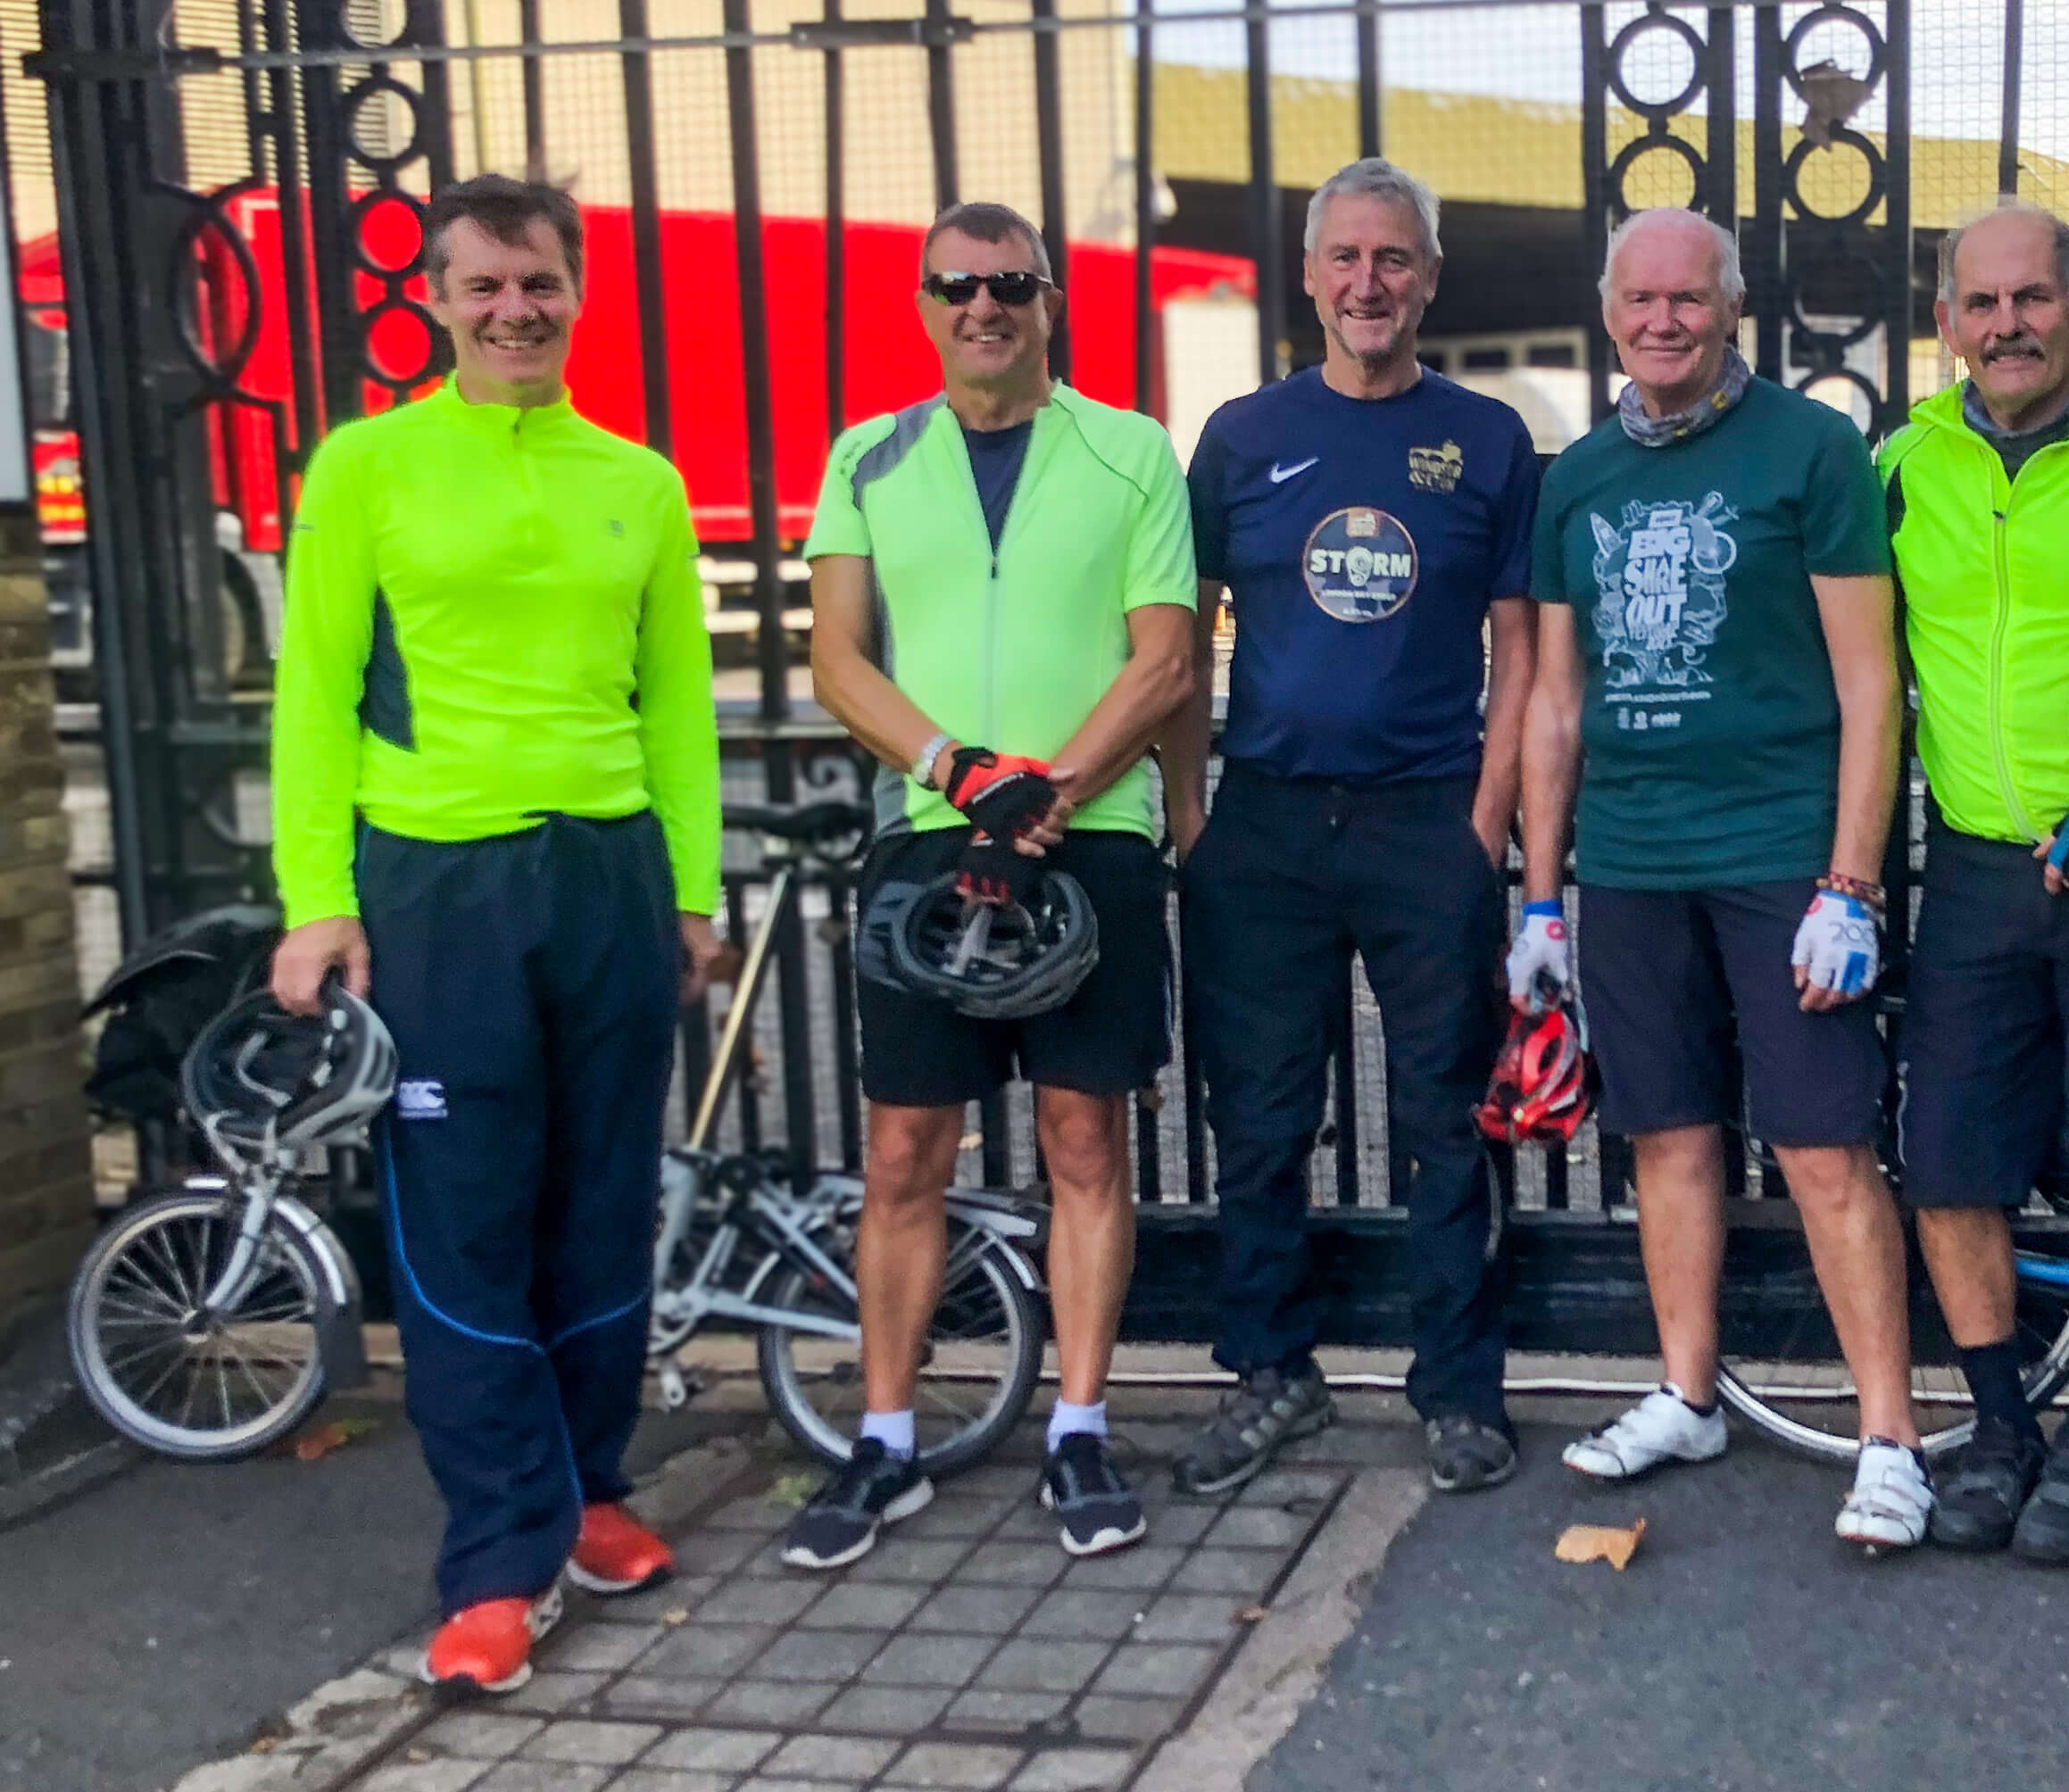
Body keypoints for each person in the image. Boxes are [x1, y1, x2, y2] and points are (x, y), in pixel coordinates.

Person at [268, 177, 723, 1694]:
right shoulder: (369, 465)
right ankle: (494, 1564)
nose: (514, 311)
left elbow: (676, 708)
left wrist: (694, 890)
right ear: (443, 302)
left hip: (605, 875)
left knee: (597, 1206)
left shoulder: (639, 482)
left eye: (538, 284)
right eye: (484, 289)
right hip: (435, 889)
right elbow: (314, 693)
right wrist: (316, 902)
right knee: (465, 1219)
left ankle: (588, 1495)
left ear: (576, 291)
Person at [783, 201, 1196, 1572]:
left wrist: (1053, 789)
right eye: (954, 285)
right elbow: (839, 660)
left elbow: (1164, 659)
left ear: (1049, 300)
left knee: (1087, 1143)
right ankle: (885, 1442)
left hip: (1094, 837)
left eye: (1010, 283)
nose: (982, 307)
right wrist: (962, 772)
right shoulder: (869, 455)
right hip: (933, 833)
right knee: (903, 1152)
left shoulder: (1131, 451)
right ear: (921, 301)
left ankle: (1079, 1427)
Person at [1513, 206, 1928, 1553]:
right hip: (1632, 866)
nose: (1661, 321)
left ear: (1730, 307)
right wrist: (1536, 894)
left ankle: (1888, 1438)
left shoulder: (1811, 450)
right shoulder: (1574, 476)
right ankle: (1687, 1392)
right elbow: (1554, 701)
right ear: (1608, 307)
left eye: (1687, 298)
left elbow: (1872, 682)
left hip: (1776, 859)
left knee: (1820, 1149)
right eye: (1638, 299)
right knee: (1669, 1139)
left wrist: (1850, 883)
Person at [1163, 160, 1541, 1499]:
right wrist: (1194, 811)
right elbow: (1173, 629)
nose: (1369, 284)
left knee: (1448, 1113)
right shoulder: (1241, 437)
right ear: (1312, 278)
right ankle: (1273, 1372)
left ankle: (1456, 1389)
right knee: (1260, 1115)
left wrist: (1482, 818)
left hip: (1421, 821)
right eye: (1346, 260)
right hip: (1262, 825)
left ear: (1428, 279)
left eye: (1395, 260)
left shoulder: (1487, 439)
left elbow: (1521, 650)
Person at [1877, 201, 2069, 1564]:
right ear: (1943, 321)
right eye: (1979, 304)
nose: (2006, 326)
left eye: (2031, 299)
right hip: (1975, 869)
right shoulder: (1899, 464)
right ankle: (2000, 1435)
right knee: (1948, 1165)